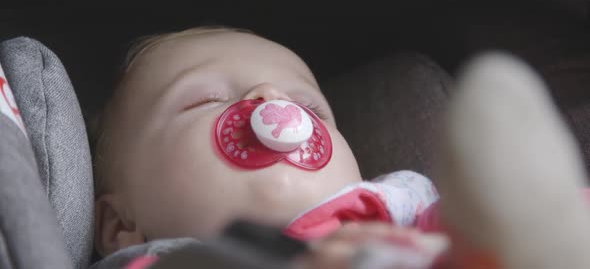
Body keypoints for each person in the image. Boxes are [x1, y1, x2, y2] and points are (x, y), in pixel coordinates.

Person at [90, 26, 590, 269]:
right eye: (206, 100)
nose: (270, 100)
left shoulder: (404, 204)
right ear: (121, 227)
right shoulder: (164, 260)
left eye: (310, 105)